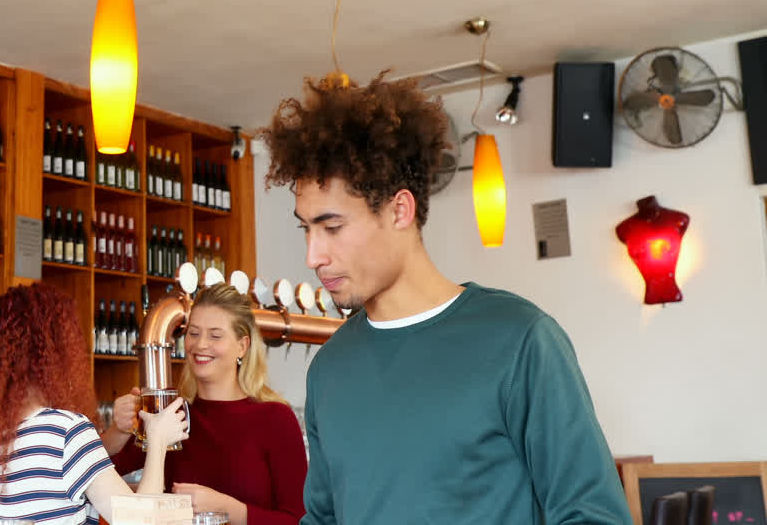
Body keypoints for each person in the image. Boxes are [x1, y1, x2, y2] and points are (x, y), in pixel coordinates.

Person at [259, 73, 631, 524]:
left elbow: (593, 516)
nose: (313, 255)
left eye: (332, 227)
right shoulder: (330, 370)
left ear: (400, 210)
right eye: (307, 228)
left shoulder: (520, 341)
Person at [0, 284, 188, 525]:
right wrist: (158, 440)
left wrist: (118, 432)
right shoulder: (67, 432)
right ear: (56, 353)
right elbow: (140, 522)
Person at [101, 284, 306, 525]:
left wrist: (227, 509)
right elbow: (94, 473)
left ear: (242, 345)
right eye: (194, 333)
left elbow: (300, 520)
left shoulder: (276, 419)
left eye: (215, 335)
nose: (200, 345)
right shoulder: (173, 416)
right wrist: (119, 430)